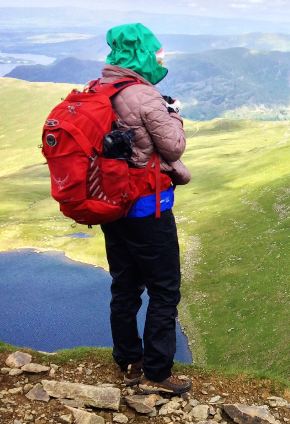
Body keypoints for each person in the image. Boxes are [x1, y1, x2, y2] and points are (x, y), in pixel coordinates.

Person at [98, 23, 192, 395]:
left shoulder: (101, 88)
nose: (160, 57)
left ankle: (128, 360)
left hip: (111, 207)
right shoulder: (144, 95)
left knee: (125, 286)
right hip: (146, 209)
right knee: (165, 290)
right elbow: (174, 147)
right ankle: (156, 373)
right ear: (142, 54)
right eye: (156, 52)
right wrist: (173, 114)